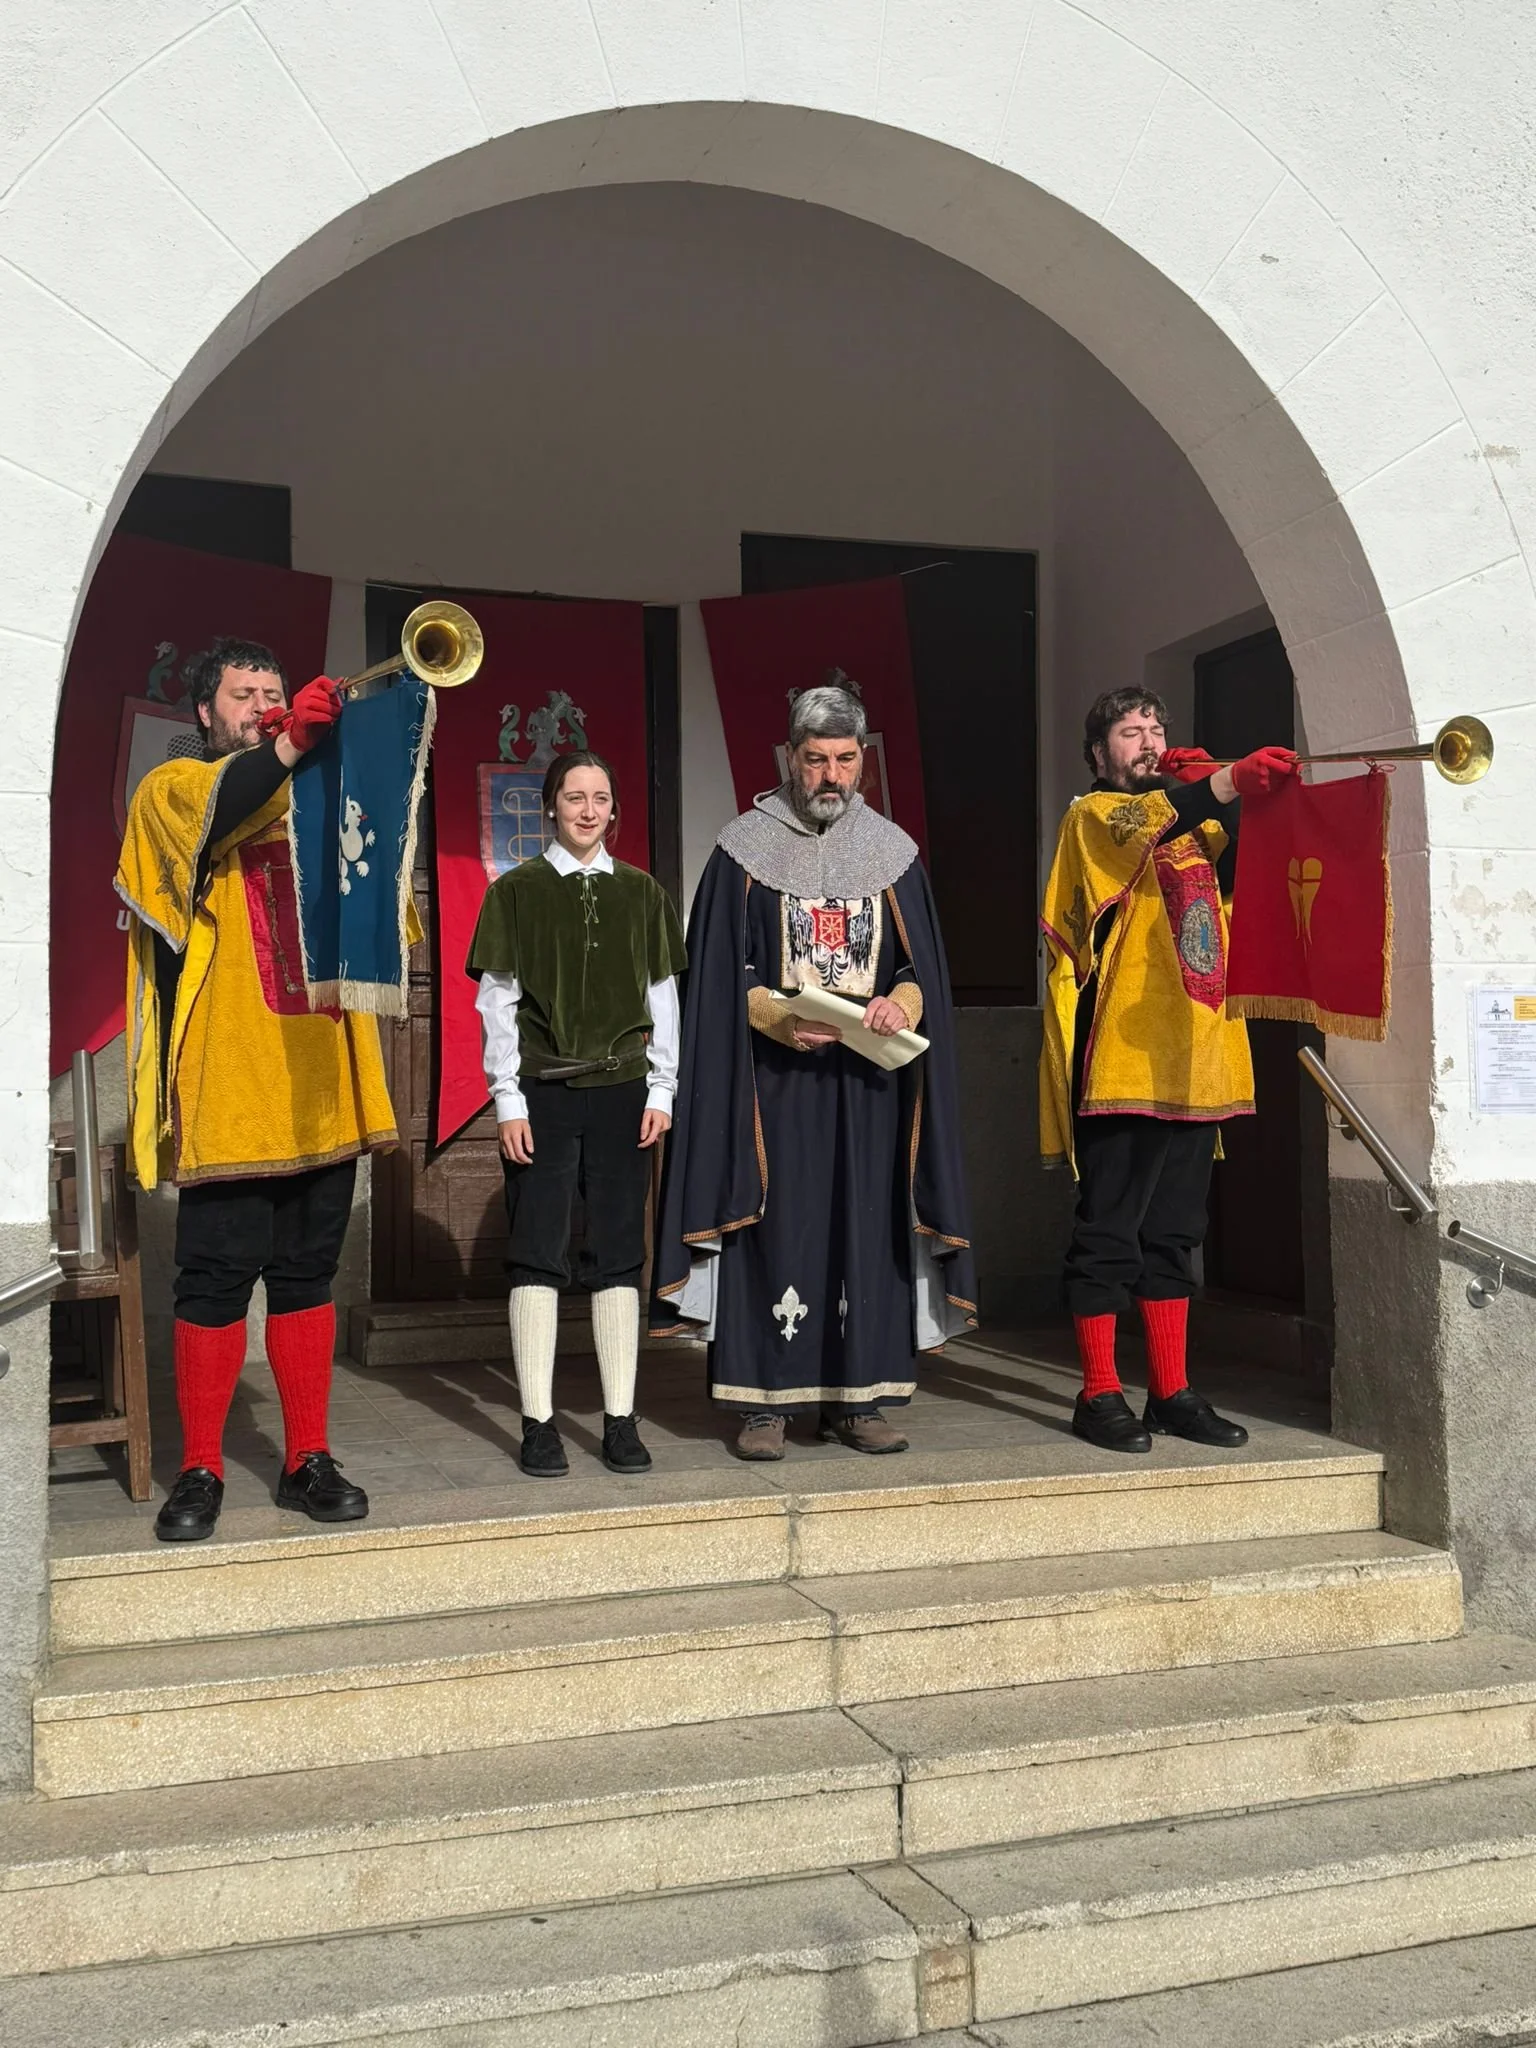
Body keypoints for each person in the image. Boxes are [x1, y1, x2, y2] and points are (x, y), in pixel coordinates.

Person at [117, 638, 401, 1541]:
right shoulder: (174, 786)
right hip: (229, 1075)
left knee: (307, 1275)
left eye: (274, 692)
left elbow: (385, 907)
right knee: (213, 1280)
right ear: (207, 712)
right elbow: (223, 811)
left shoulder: (317, 797)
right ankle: (200, 1467)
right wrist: (289, 745)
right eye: (244, 695)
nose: (263, 704)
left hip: (321, 1074)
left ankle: (306, 1457)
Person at [651, 680, 976, 1460]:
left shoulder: (894, 855)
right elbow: (722, 973)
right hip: (775, 1086)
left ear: (863, 761)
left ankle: (860, 1401)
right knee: (777, 1230)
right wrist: (775, 1016)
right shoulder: (742, 851)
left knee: (868, 1230)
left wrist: (902, 1001)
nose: (831, 775)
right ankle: (764, 1405)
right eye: (816, 759)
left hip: (870, 1087)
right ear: (789, 758)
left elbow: (920, 967)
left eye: (845, 759)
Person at [1039, 686, 1299, 1454]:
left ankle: (1172, 1393)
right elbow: (1145, 822)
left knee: (1177, 1234)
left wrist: (1250, 793)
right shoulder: (1093, 814)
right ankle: (1097, 1393)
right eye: (1130, 732)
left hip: (1198, 1057)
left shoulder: (1199, 823)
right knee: (1108, 1232)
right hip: (1122, 1059)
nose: (1149, 740)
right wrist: (1222, 780)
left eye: (1156, 728)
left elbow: (1257, 862)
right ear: (1098, 753)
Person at [467, 752, 686, 1478]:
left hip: (625, 1093)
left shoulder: (643, 893)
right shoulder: (516, 892)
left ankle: (620, 1421)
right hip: (544, 1094)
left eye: (600, 798)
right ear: (551, 807)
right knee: (538, 1249)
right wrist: (508, 1099)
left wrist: (662, 1089)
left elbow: (663, 998)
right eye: (573, 797)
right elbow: (497, 1002)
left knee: (619, 1250)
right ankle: (538, 1423)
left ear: (614, 809)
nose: (588, 810)